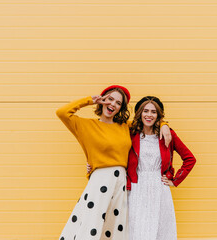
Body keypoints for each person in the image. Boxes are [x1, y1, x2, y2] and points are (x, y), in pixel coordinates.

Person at [56, 86, 171, 240]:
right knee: (92, 221)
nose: (113, 104)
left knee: (114, 225)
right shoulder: (85, 125)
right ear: (103, 100)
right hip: (100, 181)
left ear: (121, 108)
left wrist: (164, 125)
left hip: (121, 182)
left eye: (118, 103)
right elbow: (62, 112)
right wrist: (90, 100)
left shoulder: (125, 126)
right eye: (110, 99)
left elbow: (148, 121)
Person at [127, 96, 197, 240]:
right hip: (136, 187)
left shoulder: (167, 134)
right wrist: (94, 164)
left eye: (153, 112)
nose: (149, 115)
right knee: (135, 227)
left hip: (159, 187)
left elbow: (190, 159)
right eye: (145, 111)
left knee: (160, 228)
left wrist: (175, 180)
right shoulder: (131, 133)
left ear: (158, 115)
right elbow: (111, 147)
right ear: (139, 113)